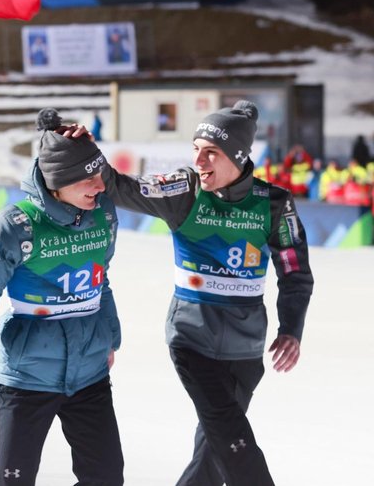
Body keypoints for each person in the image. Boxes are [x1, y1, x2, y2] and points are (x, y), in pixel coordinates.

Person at [78, 100, 313, 485]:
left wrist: (292, 328)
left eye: (211, 153)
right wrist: (88, 153)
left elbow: (296, 273)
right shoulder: (185, 190)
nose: (200, 161)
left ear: (238, 156)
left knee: (212, 454)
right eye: (195, 150)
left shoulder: (274, 204)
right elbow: (122, 187)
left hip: (245, 351)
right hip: (192, 340)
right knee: (233, 440)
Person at [0, 108, 123, 485]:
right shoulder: (13, 224)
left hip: (90, 374)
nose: (100, 186)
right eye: (89, 178)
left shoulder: (104, 215)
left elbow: (102, 281)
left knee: (106, 477)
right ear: (57, 180)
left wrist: (110, 338)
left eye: (100, 175)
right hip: (27, 377)